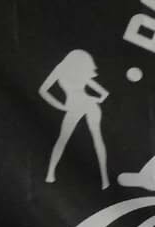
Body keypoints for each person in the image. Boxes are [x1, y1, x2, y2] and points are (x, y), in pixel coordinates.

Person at [40, 49, 111, 189]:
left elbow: (43, 90)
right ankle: (104, 179)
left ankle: (51, 174)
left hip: (81, 105)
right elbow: (43, 90)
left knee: (73, 138)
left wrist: (61, 106)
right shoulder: (66, 69)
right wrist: (60, 106)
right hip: (82, 105)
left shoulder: (70, 70)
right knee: (85, 138)